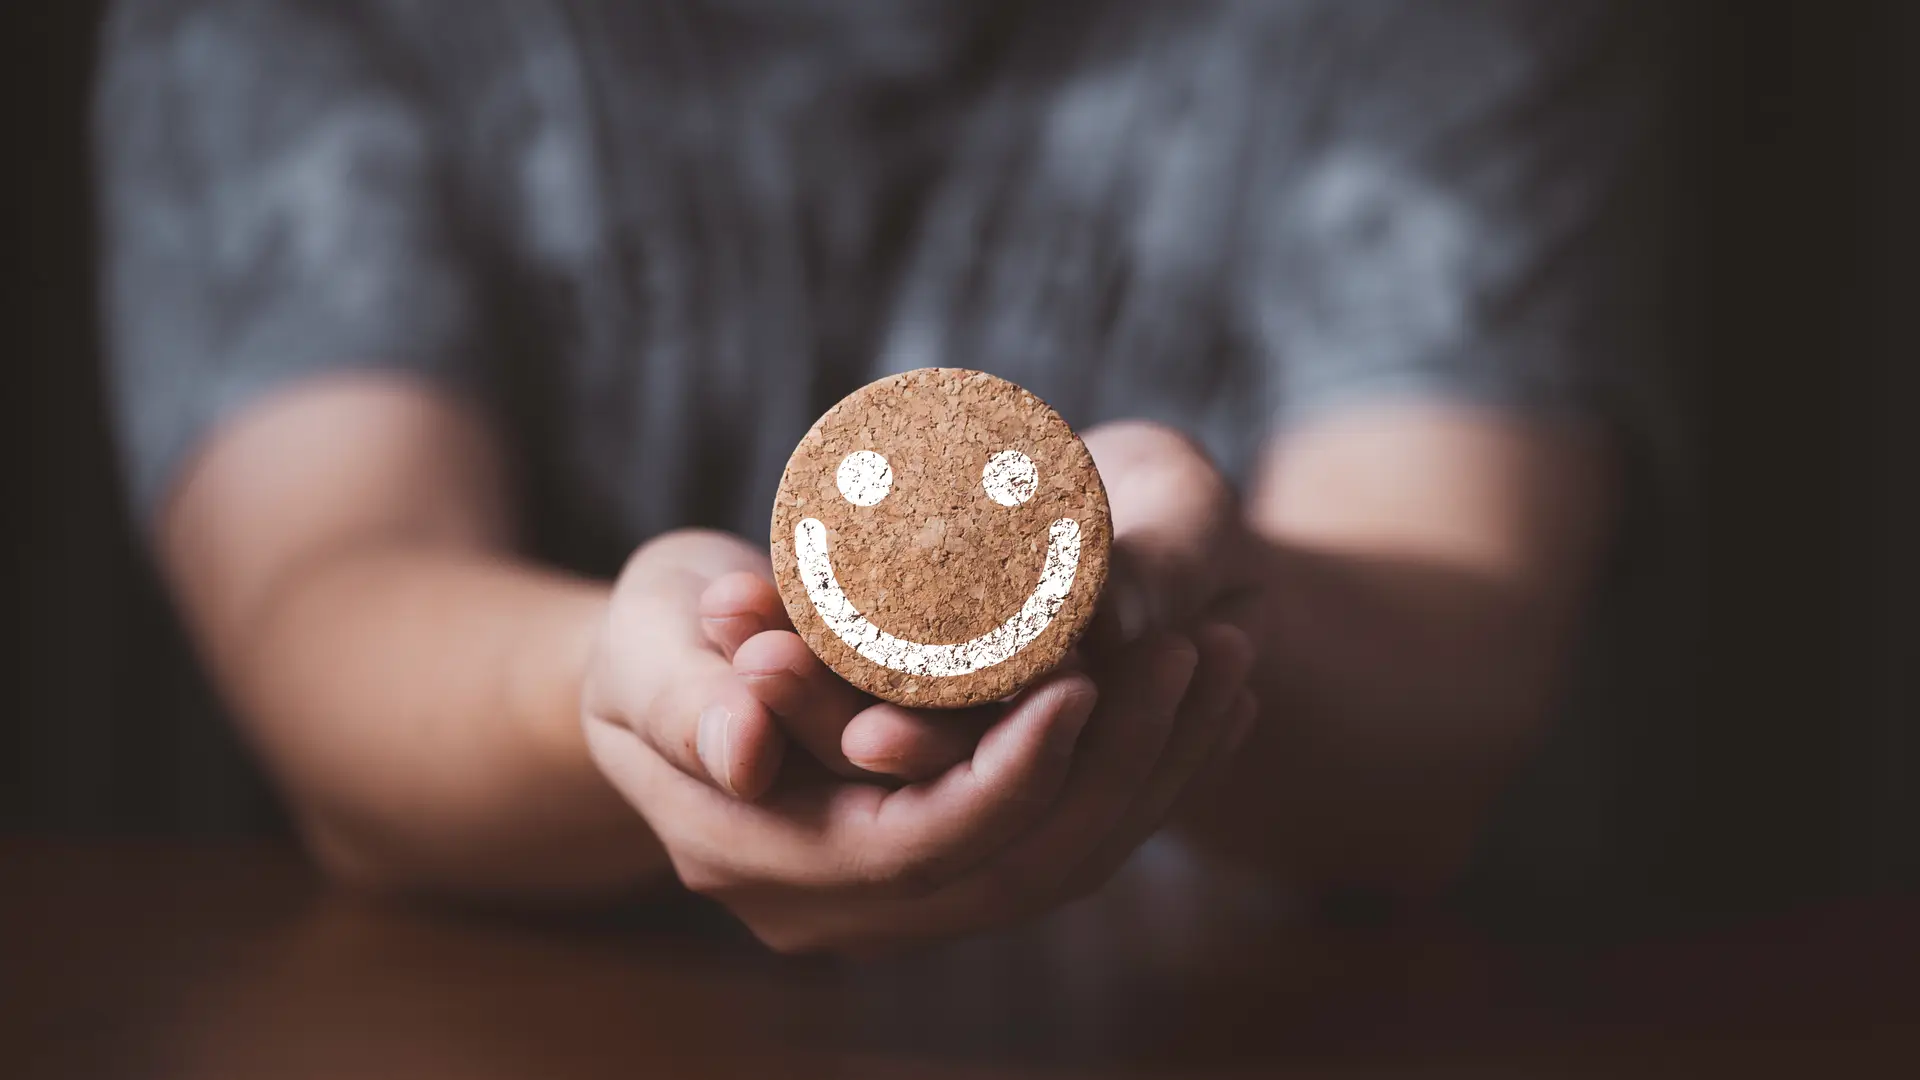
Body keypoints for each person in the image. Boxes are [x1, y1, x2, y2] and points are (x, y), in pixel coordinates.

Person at [96, 0, 1666, 951]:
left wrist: (1188, 604)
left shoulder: (1430, 31)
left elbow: (1450, 703)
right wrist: (633, 690)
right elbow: (327, 608)